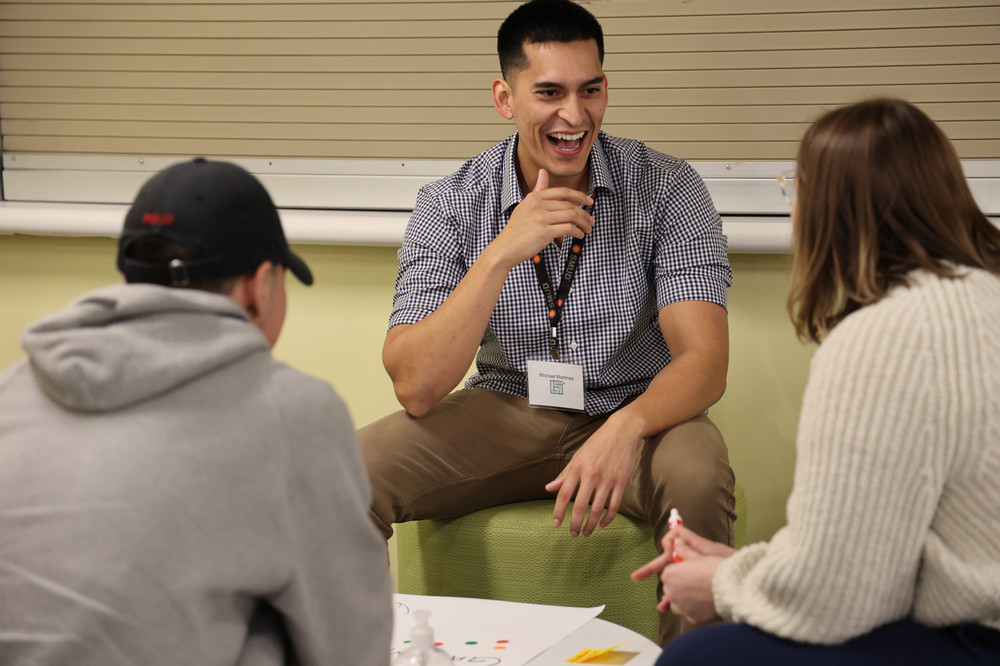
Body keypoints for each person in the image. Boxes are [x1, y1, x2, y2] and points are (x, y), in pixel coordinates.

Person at [359, 0, 735, 645]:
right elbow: (416, 385)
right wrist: (503, 249)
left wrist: (626, 427)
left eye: (590, 90)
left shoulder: (668, 187)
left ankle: (696, 661)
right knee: (343, 474)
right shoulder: (452, 201)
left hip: (642, 412)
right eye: (550, 92)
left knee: (698, 479)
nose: (574, 115)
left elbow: (704, 360)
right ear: (505, 99)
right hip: (507, 408)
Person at [632, 98, 1000, 664]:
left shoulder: (881, 337)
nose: (794, 209)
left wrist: (723, 589)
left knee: (694, 657)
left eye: (796, 189)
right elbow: (882, 548)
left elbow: (842, 594)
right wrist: (744, 568)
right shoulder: (985, 293)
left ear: (836, 210)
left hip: (977, 635)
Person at [0, 158, 393, 665]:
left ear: (127, 276)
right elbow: (350, 643)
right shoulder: (292, 412)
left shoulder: (13, 387)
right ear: (260, 285)